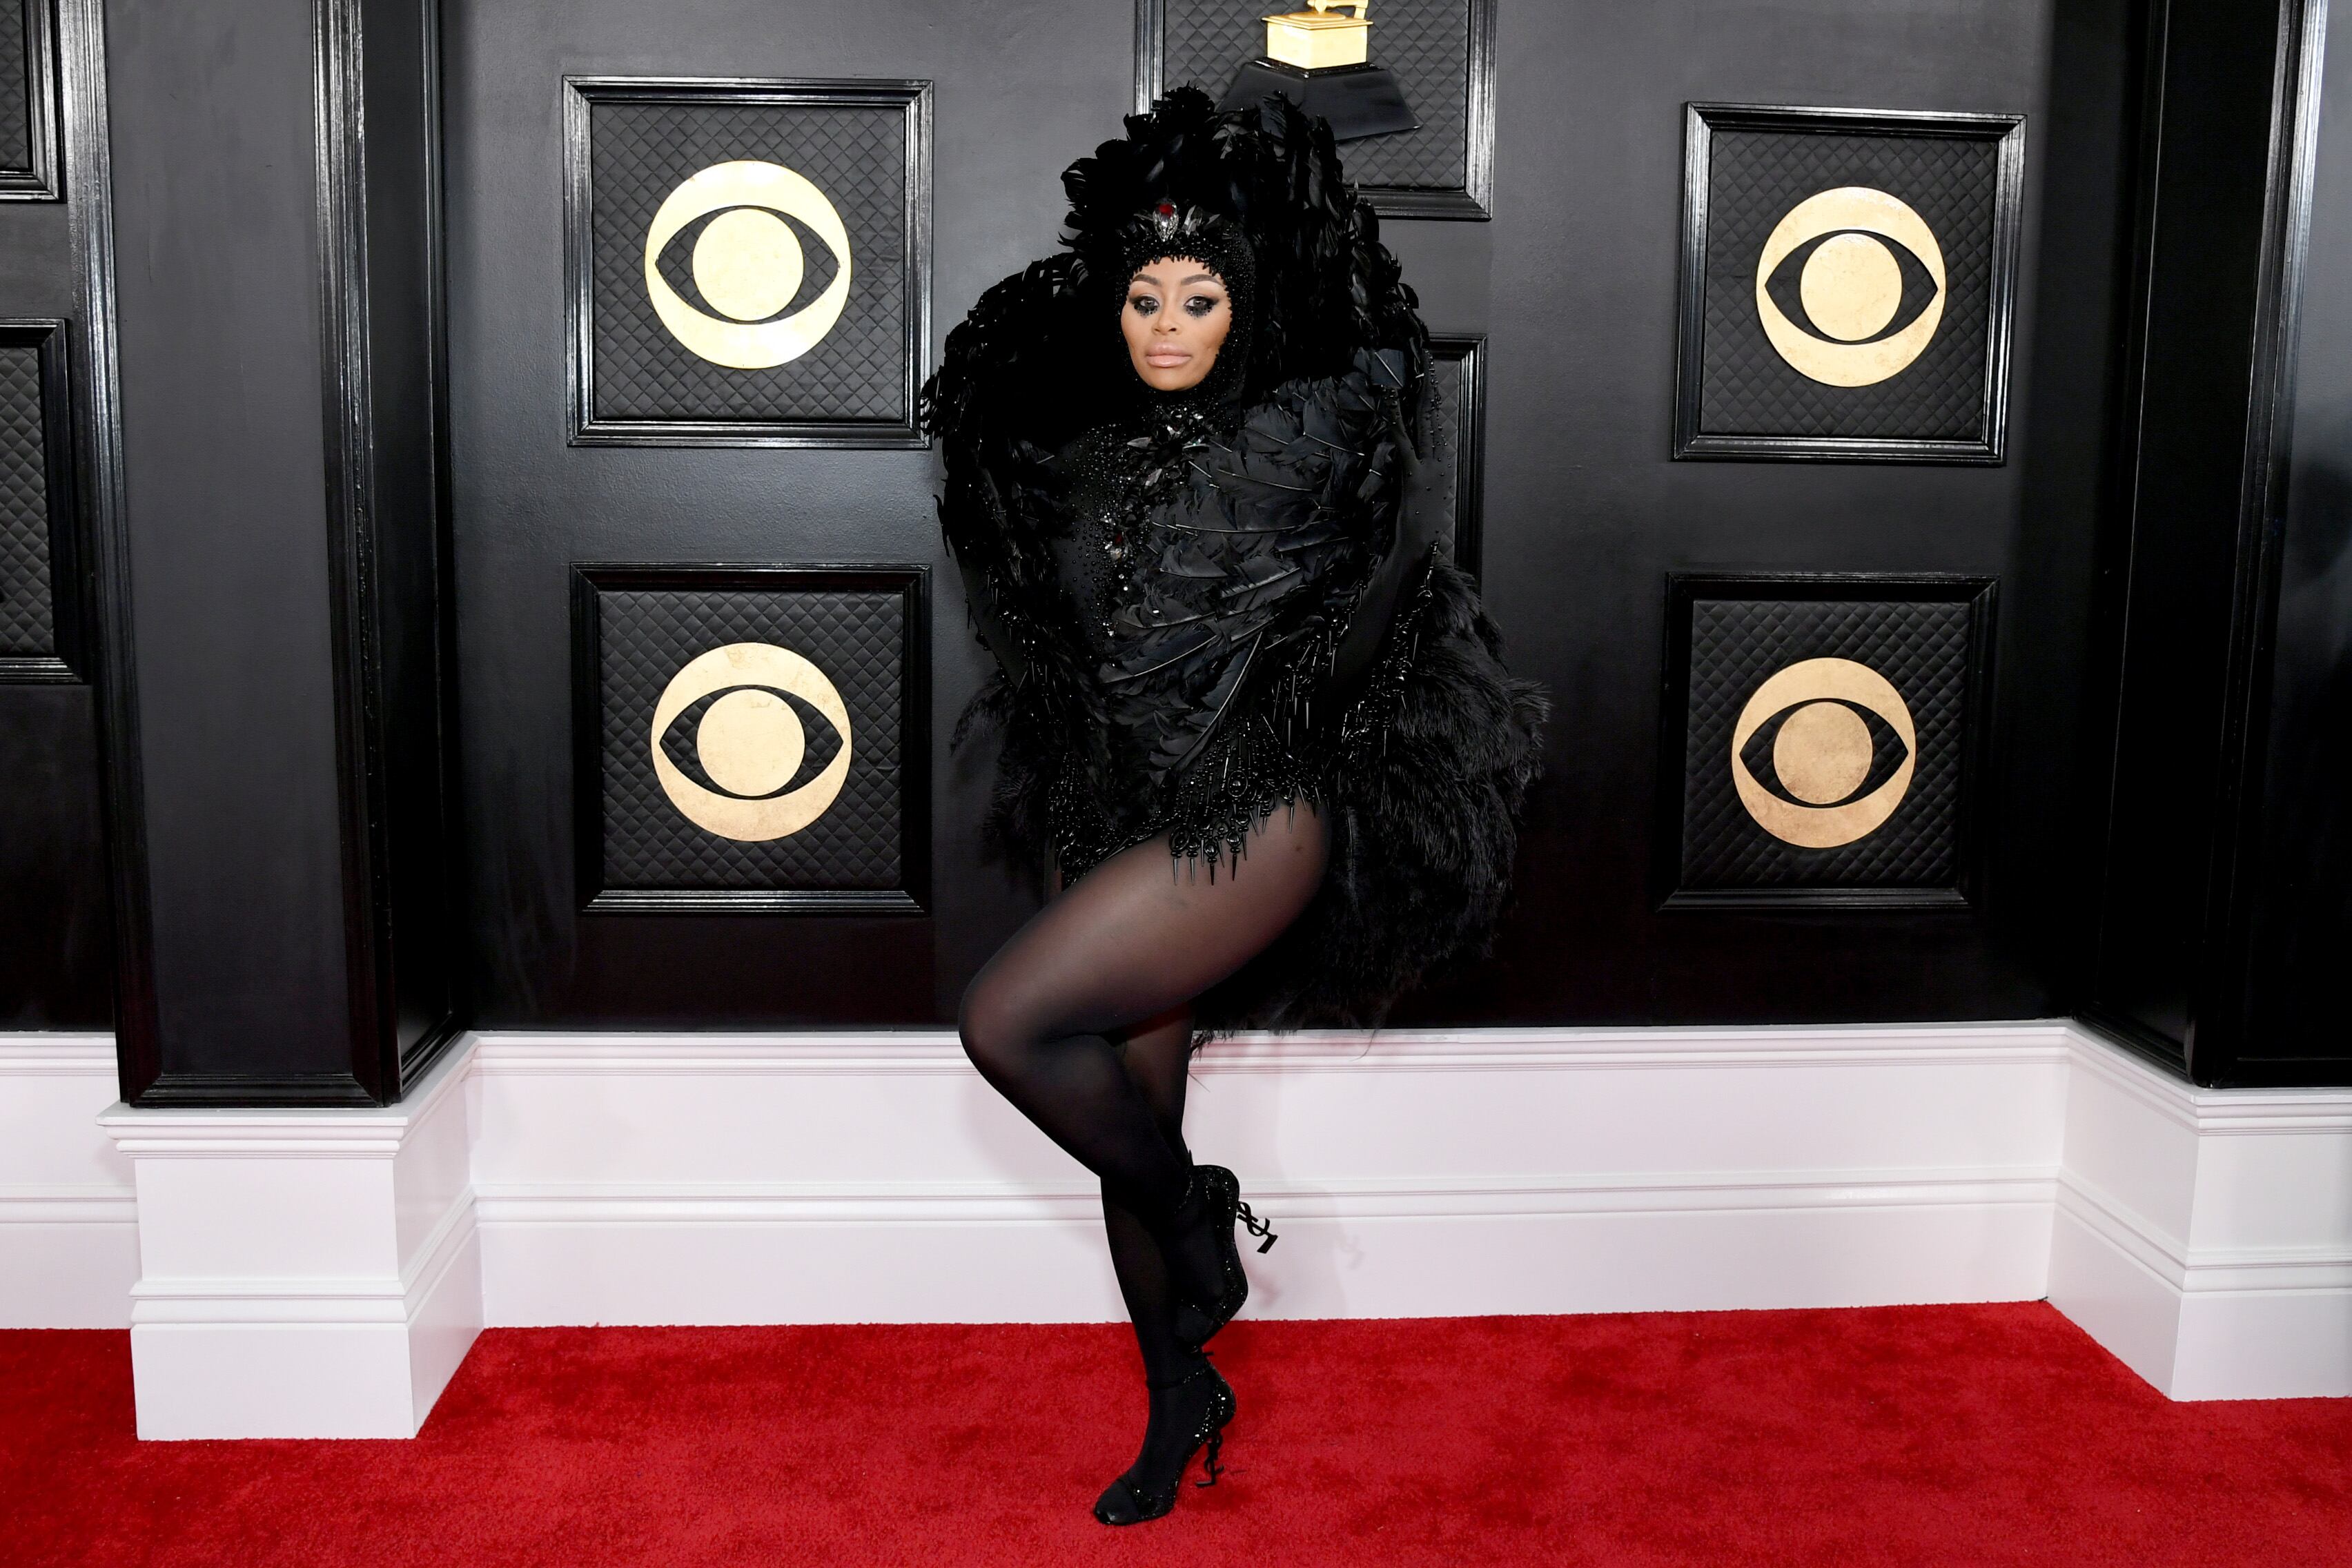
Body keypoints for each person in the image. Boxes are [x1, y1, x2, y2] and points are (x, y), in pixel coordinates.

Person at [920, 87, 1547, 1525]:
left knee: (1008, 1022)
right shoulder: (1074, 443)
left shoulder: (1320, 430)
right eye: (1144, 296)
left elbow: (1391, 538)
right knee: (1123, 1108)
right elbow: (1025, 538)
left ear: (1248, 309)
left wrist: (1313, 222)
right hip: (1123, 811)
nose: (1165, 324)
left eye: (1201, 298)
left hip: (1257, 808)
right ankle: (1178, 1394)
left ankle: (1202, 1211)